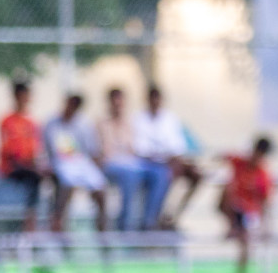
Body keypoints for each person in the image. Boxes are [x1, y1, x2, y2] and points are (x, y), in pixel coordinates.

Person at [132, 86, 202, 228]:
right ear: (148, 100)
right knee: (164, 175)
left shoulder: (170, 118)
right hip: (151, 163)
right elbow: (141, 148)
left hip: (172, 160)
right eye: (153, 99)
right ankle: (154, 218)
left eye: (158, 99)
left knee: (197, 174)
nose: (156, 102)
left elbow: (178, 145)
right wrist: (164, 155)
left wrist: (174, 157)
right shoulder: (138, 119)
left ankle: (175, 214)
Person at [98, 87, 163, 231]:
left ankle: (149, 220)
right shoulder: (102, 124)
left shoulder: (130, 123)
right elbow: (103, 153)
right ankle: (124, 223)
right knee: (130, 176)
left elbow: (135, 149)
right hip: (112, 165)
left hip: (132, 163)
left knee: (159, 174)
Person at [43, 94, 108, 232]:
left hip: (82, 162)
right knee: (67, 184)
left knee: (101, 189)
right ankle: (60, 223)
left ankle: (102, 229)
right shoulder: (52, 123)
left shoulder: (84, 124)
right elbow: (49, 150)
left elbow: (92, 151)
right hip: (61, 163)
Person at [221, 136, 273, 273]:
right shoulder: (240, 162)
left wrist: (266, 226)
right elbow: (222, 156)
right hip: (233, 208)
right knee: (227, 189)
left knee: (246, 245)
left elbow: (265, 203)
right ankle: (232, 226)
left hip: (249, 213)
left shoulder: (262, 175)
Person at [0, 81, 47, 232]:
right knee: (35, 177)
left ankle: (53, 222)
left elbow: (35, 149)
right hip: (13, 167)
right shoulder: (8, 121)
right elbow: (12, 152)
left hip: (28, 165)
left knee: (54, 177)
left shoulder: (31, 122)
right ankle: (29, 225)